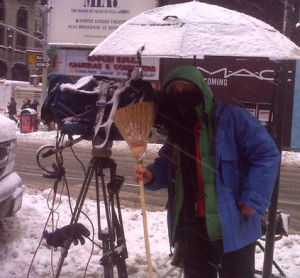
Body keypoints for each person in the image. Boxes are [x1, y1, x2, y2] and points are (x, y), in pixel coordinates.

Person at [134, 65, 280, 278]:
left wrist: (255, 197)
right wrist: (152, 175)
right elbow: (166, 165)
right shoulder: (177, 130)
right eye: (174, 91)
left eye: (186, 87)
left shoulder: (231, 118)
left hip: (233, 223)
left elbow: (267, 154)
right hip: (192, 226)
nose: (180, 94)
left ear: (201, 89)